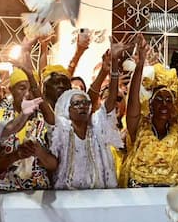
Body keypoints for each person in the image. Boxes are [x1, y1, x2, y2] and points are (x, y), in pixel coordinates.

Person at [120, 34, 178, 187]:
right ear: (149, 105)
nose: (164, 104)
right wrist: (140, 65)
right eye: (158, 99)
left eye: (168, 100)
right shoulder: (138, 126)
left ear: (174, 106)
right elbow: (132, 100)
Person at [50, 41, 128, 189]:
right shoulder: (63, 128)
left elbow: (110, 101)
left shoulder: (96, 124)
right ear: (68, 109)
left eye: (85, 104)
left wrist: (113, 67)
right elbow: (92, 95)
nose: (83, 106)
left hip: (98, 197)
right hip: (66, 197)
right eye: (77, 104)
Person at [0, 68, 57, 190]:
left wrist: (40, 152)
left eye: (31, 89)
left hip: (40, 195)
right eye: (22, 88)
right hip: (6, 193)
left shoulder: (45, 121)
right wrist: (16, 156)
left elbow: (54, 165)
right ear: (11, 90)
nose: (27, 94)